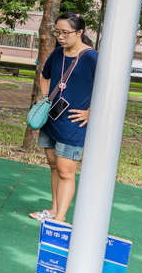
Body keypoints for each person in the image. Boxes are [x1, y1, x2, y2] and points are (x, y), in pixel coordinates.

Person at [29, 13, 98, 224]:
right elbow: (44, 75)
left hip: (74, 123)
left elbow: (109, 89)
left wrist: (91, 112)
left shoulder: (92, 57)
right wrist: (44, 97)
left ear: (79, 32)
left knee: (66, 171)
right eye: (57, 32)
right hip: (52, 118)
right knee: (53, 165)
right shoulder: (57, 54)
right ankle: (53, 209)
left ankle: (60, 218)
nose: (60, 37)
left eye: (66, 33)